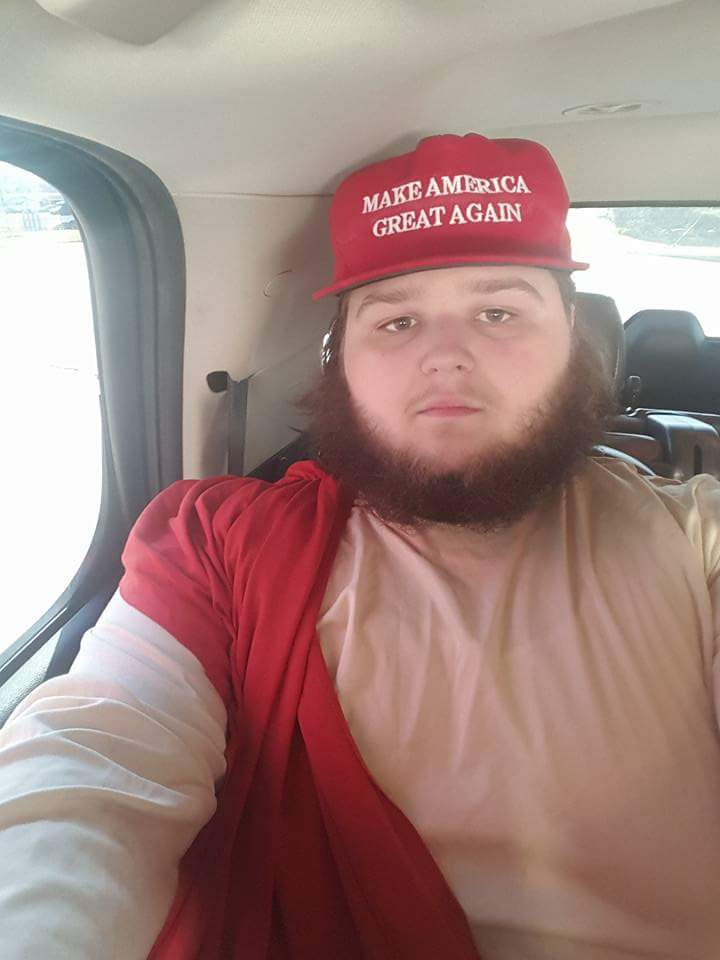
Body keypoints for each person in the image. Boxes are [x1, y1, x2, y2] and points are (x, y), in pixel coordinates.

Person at [1, 133, 720, 960]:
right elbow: (93, 756)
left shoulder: (695, 535)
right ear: (339, 360)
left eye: (499, 312)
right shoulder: (221, 546)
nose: (445, 356)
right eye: (397, 319)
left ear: (574, 342)